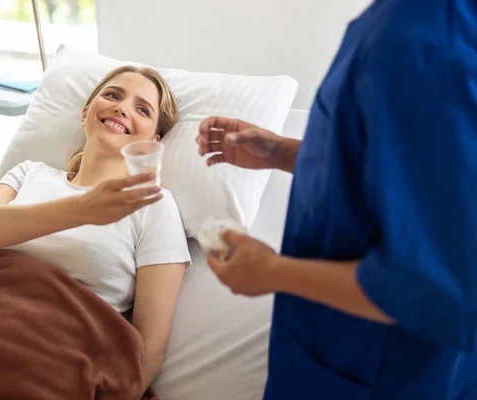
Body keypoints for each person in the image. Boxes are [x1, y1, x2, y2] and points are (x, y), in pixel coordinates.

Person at [197, 1, 477, 398]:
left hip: (378, 371)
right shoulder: (407, 25)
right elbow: (403, 171)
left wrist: (272, 271)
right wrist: (280, 151)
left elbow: (434, 284)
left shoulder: (422, 44)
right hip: (334, 357)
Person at [0, 65, 190, 391]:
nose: (122, 108)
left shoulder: (153, 205)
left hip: (47, 375)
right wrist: (83, 209)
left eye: (142, 109)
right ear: (85, 113)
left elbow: (149, 348)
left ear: (154, 140)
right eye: (112, 95)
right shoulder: (29, 174)